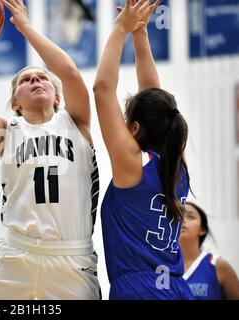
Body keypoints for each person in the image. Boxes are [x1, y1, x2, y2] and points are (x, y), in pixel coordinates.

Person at [0, 0, 100, 299]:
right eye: (26, 80)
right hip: (16, 254)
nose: (36, 80)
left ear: (57, 98)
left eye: (42, 78)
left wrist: (25, 27)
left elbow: (71, 74)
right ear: (16, 104)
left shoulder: (75, 122)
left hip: (71, 259)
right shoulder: (7, 133)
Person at [93, 0, 193, 299]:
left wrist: (120, 29)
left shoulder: (132, 166)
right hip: (175, 287)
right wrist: (140, 34)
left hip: (141, 289)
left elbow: (102, 90)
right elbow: (155, 99)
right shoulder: (177, 164)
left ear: (135, 129)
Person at [180, 202, 239, 299]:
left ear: (202, 229)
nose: (182, 220)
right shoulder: (160, 265)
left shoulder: (218, 265)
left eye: (190, 216)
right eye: (178, 216)